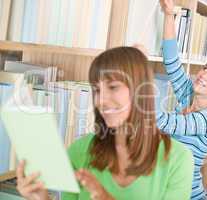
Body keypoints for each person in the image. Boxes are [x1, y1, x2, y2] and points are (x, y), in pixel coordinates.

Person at [16, 46, 194, 200]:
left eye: (113, 87)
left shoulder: (178, 160)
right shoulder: (80, 150)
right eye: (97, 90)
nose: (100, 100)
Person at [157, 0, 207, 199]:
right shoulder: (188, 96)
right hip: (168, 188)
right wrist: (168, 15)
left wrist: (133, 80)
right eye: (206, 69)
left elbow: (166, 123)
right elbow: (172, 60)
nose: (203, 75)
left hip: (187, 195)